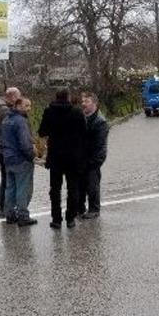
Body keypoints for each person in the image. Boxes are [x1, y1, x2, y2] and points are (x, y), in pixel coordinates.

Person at [38, 89, 86, 230]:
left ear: (56, 97)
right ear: (68, 97)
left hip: (55, 156)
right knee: (73, 188)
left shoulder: (49, 111)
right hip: (73, 156)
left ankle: (56, 219)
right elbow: (84, 132)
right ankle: (70, 218)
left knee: (55, 189)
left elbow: (42, 131)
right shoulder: (77, 112)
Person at [1, 98, 37, 227]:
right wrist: (32, 156)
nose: (29, 108)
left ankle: (10, 215)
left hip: (8, 158)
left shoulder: (6, 119)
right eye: (26, 106)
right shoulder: (21, 121)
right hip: (21, 159)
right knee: (23, 189)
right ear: (18, 106)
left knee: (10, 188)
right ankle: (23, 216)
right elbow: (25, 143)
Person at [0, 87, 20, 218]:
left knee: (5, 178)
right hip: (4, 149)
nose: (19, 100)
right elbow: (9, 130)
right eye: (18, 96)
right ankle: (6, 208)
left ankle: (5, 208)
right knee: (8, 180)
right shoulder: (5, 110)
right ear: (11, 96)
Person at [79, 92, 109, 222]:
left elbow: (98, 145)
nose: (83, 104)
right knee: (80, 185)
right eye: (83, 101)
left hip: (93, 159)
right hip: (81, 158)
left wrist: (92, 160)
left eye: (87, 101)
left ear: (95, 104)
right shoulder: (82, 117)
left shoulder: (100, 122)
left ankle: (94, 209)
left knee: (92, 185)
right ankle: (80, 207)